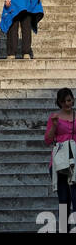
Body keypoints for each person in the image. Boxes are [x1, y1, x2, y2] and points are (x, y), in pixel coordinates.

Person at [44, 88, 76, 230]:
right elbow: (47, 140)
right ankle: (64, 229)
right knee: (63, 201)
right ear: (59, 102)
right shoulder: (54, 117)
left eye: (69, 100)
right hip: (60, 163)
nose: (67, 104)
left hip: (75, 162)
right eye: (63, 102)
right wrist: (55, 126)